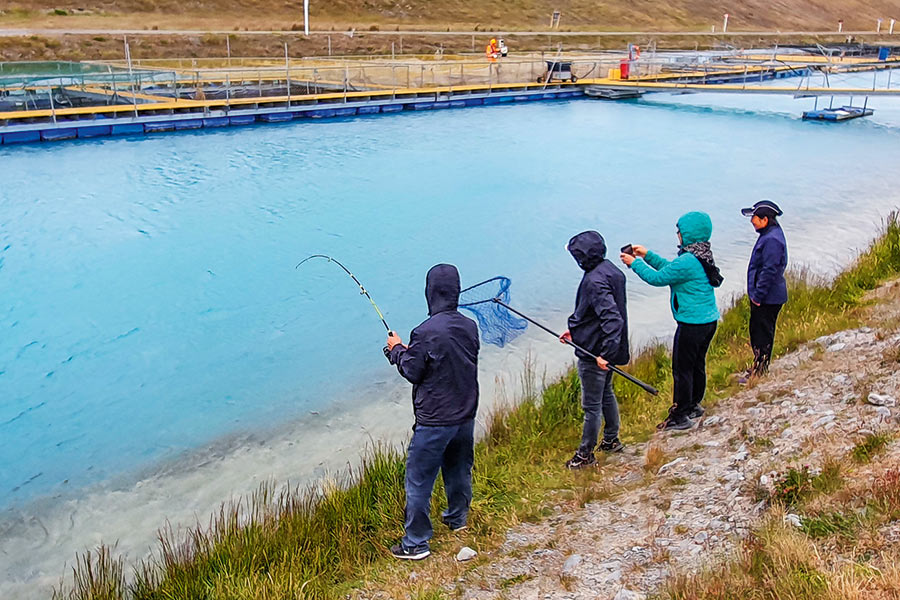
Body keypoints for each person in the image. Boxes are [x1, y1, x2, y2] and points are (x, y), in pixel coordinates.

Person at [385, 264, 480, 560]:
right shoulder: (469, 325)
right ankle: (457, 519)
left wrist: (396, 349)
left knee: (418, 479)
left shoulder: (424, 332)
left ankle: (416, 543)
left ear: (431, 292)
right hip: (465, 415)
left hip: (435, 421)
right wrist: (409, 350)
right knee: (458, 469)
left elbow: (413, 371)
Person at [620, 212, 722, 431]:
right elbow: (671, 270)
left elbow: (658, 278)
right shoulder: (700, 254)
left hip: (692, 323)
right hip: (708, 320)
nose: (678, 235)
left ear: (688, 234)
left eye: (680, 231)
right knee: (697, 364)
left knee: (682, 369)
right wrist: (647, 255)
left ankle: (680, 415)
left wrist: (634, 264)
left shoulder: (687, 260)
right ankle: (694, 405)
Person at [560, 231, 630, 468]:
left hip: (595, 354)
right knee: (606, 393)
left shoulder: (593, 281)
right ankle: (611, 440)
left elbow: (613, 320)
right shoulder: (610, 270)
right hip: (600, 345)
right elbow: (594, 315)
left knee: (591, 406)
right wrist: (575, 333)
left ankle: (585, 455)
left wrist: (605, 355)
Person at [742, 200, 788, 378]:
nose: (752, 221)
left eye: (754, 218)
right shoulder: (770, 235)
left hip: (768, 298)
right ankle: (758, 365)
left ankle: (760, 371)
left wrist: (757, 296)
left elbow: (769, 270)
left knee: (763, 333)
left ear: (765, 219)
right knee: (757, 330)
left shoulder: (772, 240)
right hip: (766, 296)